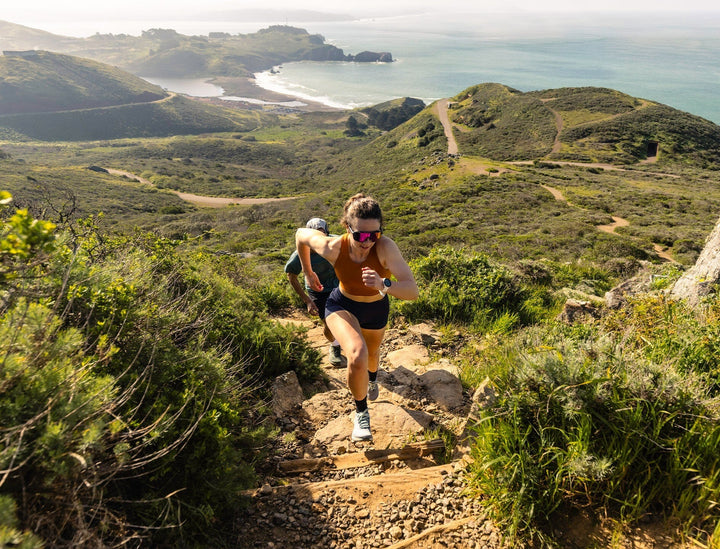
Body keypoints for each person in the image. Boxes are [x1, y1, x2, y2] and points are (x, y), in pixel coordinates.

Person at [295, 194, 418, 442]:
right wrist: (308, 272)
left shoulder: (385, 247)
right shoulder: (333, 247)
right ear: (347, 228)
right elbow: (301, 235)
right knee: (357, 353)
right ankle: (361, 413)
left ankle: (372, 380)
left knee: (372, 357)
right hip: (342, 304)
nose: (368, 241)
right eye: (361, 235)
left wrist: (384, 283)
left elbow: (412, 291)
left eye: (375, 234)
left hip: (376, 308)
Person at [285, 218, 343, 366]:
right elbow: (291, 276)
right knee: (329, 323)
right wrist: (308, 301)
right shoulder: (299, 254)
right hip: (318, 291)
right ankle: (335, 346)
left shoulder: (335, 242)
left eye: (321, 234)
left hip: (339, 285)